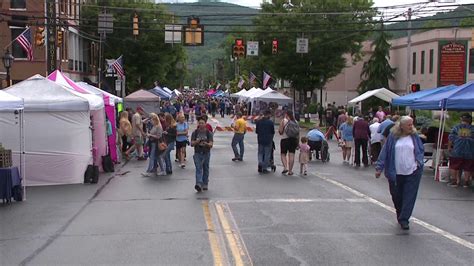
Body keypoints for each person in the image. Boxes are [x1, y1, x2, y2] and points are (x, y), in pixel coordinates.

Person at [375, 116, 424, 230]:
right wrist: (379, 168)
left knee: (409, 196)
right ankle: (400, 212)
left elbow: (420, 150)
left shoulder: (414, 136)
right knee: (396, 196)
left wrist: (419, 163)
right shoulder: (393, 137)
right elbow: (385, 152)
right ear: (401, 126)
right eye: (409, 125)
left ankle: (404, 219)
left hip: (412, 171)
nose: (411, 127)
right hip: (395, 173)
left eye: (412, 124)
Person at [447, 113, 474, 188]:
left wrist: (449, 147)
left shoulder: (456, 127)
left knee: (454, 166)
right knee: (468, 167)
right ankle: (466, 182)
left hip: (457, 150)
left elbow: (450, 138)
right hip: (470, 151)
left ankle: (454, 181)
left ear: (461, 119)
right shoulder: (473, 128)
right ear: (469, 119)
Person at [191, 118, 214, 192]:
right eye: (199, 123)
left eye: (202, 123)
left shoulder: (208, 133)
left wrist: (206, 144)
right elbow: (191, 143)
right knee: (198, 168)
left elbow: (211, 144)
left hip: (206, 152)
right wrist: (197, 141)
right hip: (197, 152)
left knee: (205, 168)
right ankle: (198, 184)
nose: (201, 124)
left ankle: (205, 183)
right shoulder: (195, 132)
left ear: (205, 124)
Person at [279, 110, 298, 175]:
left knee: (283, 154)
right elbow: (298, 133)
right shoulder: (295, 122)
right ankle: (290, 171)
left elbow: (280, 131)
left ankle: (285, 167)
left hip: (284, 139)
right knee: (291, 155)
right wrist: (297, 142)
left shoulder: (283, 121)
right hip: (293, 140)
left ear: (286, 114)